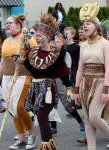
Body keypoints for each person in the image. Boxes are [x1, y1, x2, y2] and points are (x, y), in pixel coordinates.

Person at [24, 13, 70, 150]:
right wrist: (22, 61)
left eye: (40, 35)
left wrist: (69, 87)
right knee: (40, 116)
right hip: (35, 87)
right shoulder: (32, 53)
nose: (36, 38)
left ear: (48, 36)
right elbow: (33, 72)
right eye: (36, 35)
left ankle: (46, 146)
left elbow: (62, 71)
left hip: (48, 88)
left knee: (42, 116)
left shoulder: (57, 52)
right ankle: (50, 145)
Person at [0, 15, 37, 150]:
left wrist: (23, 60)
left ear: (19, 25)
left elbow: (36, 57)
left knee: (18, 107)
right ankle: (21, 138)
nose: (7, 25)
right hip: (7, 78)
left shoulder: (28, 39)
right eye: (6, 23)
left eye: (10, 22)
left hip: (23, 76)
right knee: (11, 108)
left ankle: (32, 134)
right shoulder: (5, 42)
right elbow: (2, 62)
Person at [73, 2, 109, 150]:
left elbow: (108, 68)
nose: (84, 27)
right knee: (87, 120)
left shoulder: (105, 44)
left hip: (101, 82)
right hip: (84, 83)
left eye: (88, 23)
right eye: (83, 25)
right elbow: (80, 68)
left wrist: (107, 89)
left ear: (96, 25)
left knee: (94, 117)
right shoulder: (83, 45)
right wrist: (75, 90)